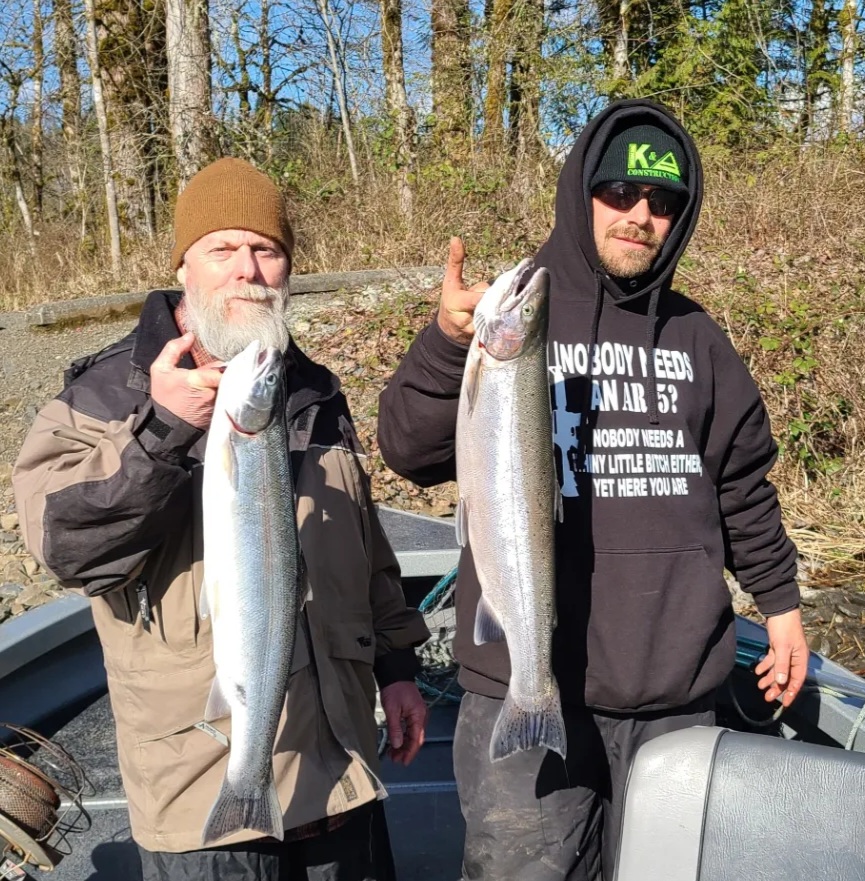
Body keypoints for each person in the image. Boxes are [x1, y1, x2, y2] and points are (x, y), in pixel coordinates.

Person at [376, 98, 810, 880]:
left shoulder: (698, 339)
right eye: (619, 193)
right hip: (525, 683)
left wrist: (780, 607)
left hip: (676, 695)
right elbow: (408, 449)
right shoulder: (513, 320)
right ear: (580, 190)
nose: (639, 216)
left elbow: (742, 483)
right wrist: (447, 344)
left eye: (662, 203)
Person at [12, 157, 430, 881]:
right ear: (184, 267)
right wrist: (163, 429)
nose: (248, 270)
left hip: (337, 770)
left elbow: (363, 546)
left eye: (266, 250)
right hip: (199, 789)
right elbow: (68, 545)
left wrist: (396, 666)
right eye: (222, 249)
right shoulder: (109, 391)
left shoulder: (311, 390)